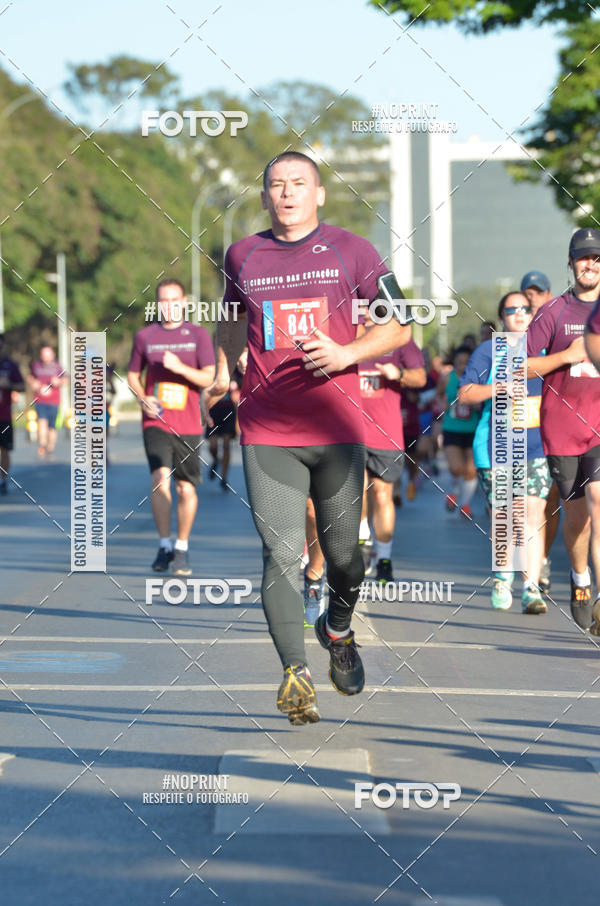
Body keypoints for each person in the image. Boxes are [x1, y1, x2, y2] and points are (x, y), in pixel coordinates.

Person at [202, 150, 410, 725]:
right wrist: (225, 367)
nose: (287, 192)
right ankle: (295, 673)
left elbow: (400, 323)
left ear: (319, 194)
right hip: (267, 428)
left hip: (339, 429)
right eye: (276, 184)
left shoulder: (354, 250)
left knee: (345, 557)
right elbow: (229, 316)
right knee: (281, 554)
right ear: (265, 195)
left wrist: (347, 352)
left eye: (299, 184)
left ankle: (336, 629)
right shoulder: (243, 253)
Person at [459, 292, 551, 614]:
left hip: (536, 447)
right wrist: (499, 388)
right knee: (506, 518)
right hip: (495, 447)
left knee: (531, 516)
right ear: (502, 318)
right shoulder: (489, 351)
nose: (520, 314)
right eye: (512, 310)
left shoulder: (544, 350)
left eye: (525, 309)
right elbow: (465, 394)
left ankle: (531, 588)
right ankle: (501, 576)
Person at [527, 228, 600, 630]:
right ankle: (580, 578)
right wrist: (565, 356)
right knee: (578, 518)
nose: (590, 264)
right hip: (562, 429)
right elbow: (517, 365)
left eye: (597, 258)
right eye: (583, 257)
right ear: (570, 263)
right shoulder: (553, 312)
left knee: (599, 501)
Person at [128, 279, 215, 575]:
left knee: (186, 488)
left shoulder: (198, 335)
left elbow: (208, 378)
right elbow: (132, 375)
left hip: (188, 422)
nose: (169, 306)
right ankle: (164, 544)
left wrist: (180, 368)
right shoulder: (145, 336)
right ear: (157, 304)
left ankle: (181, 547)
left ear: (185, 301)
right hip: (156, 420)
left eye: (174, 300)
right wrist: (142, 398)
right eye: (163, 300)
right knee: (160, 478)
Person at [359, 338, 425, 584]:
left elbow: (419, 378)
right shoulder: (346, 330)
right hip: (350, 432)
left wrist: (398, 373)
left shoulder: (397, 338)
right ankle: (364, 540)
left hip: (385, 433)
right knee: (357, 491)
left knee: (382, 494)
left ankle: (384, 558)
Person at [519, 269, 559, 593]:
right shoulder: (518, 334)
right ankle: (529, 566)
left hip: (562, 423)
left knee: (553, 500)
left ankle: (541, 558)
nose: (533, 298)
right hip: (528, 431)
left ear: (549, 295)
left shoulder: (560, 324)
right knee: (532, 506)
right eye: (527, 293)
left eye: (538, 292)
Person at [437, 346, 479, 518]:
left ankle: (465, 504)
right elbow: (438, 394)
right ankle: (453, 491)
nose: (462, 366)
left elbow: (485, 399)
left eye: (466, 363)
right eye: (459, 363)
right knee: (456, 468)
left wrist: (475, 403)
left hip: (473, 430)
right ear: (454, 363)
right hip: (452, 429)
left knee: (471, 470)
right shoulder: (448, 379)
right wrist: (443, 404)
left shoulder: (478, 379)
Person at [27, 346, 68, 457]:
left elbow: (67, 380)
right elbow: (29, 377)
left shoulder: (58, 367)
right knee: (42, 422)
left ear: (52, 355)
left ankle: (50, 447)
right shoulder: (36, 365)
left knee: (52, 426)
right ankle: (43, 445)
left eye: (48, 355)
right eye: (44, 355)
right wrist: (33, 383)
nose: (46, 358)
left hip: (54, 401)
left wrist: (58, 381)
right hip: (40, 400)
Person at [0, 334, 25, 495]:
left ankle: (3, 480)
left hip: (4, 416)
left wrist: (9, 385)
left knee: (5, 450)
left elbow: (22, 386)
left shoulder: (10, 365)